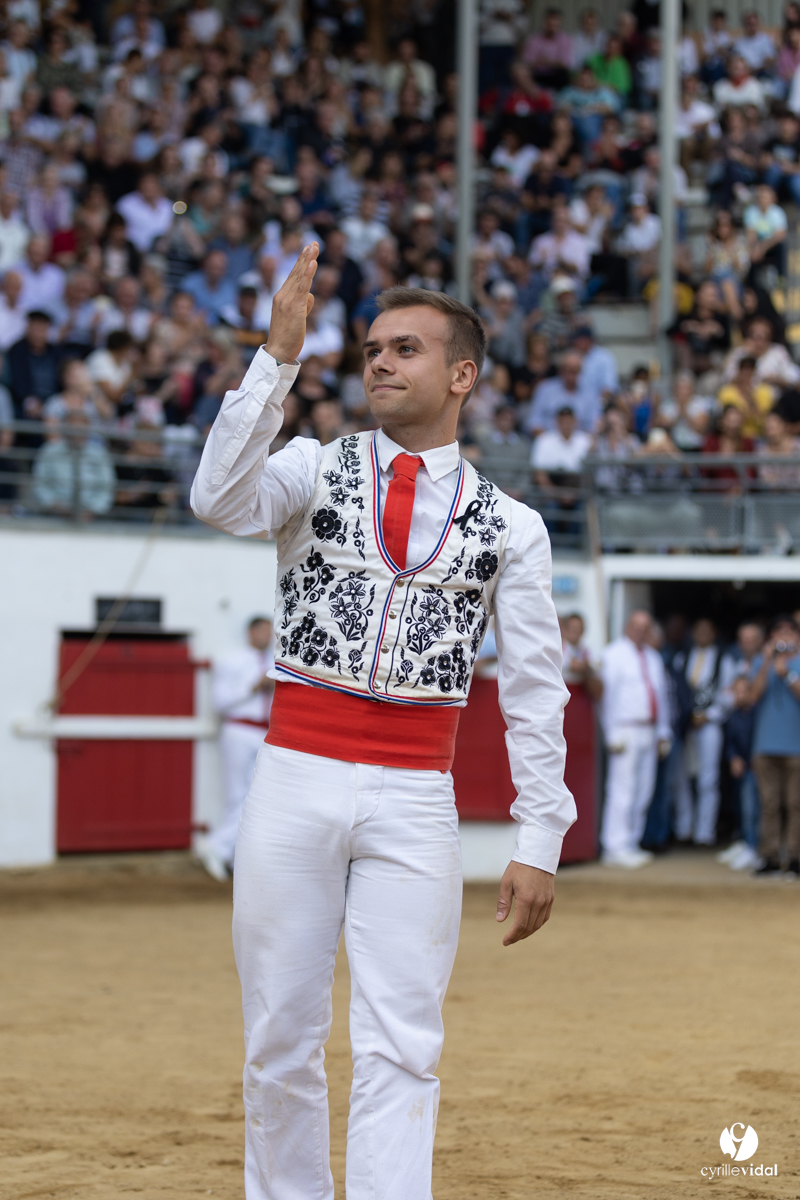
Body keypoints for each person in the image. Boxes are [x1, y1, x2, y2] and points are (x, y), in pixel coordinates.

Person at [190, 245, 575, 1200]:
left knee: (405, 1038)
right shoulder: (313, 469)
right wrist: (275, 362)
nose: (379, 363)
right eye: (370, 348)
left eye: (405, 348)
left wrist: (541, 836)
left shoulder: (512, 525)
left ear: (462, 375)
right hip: (294, 773)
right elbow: (215, 499)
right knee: (279, 1032)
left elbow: (534, 688)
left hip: (416, 794)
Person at [197, 617, 275, 881]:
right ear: (250, 632)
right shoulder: (232, 661)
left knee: (259, 796)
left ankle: (224, 848)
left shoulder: (275, 663)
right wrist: (253, 686)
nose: (267, 635)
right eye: (263, 630)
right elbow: (220, 702)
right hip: (239, 730)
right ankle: (220, 847)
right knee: (237, 794)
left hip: (266, 732)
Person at [600, 609, 671, 867]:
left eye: (646, 626)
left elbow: (661, 697)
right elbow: (607, 699)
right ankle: (614, 846)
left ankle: (631, 842)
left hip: (649, 730)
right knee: (622, 790)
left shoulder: (653, 657)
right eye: (637, 626)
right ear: (627, 626)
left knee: (644, 790)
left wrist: (664, 732)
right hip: (625, 729)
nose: (641, 631)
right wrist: (611, 733)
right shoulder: (613, 655)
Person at [747, 616, 800, 876]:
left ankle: (794, 857)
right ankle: (768, 856)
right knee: (769, 804)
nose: (785, 637)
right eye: (779, 632)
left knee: (796, 804)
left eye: (790, 632)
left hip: (796, 747)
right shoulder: (761, 662)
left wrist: (788, 673)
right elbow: (752, 696)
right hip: (765, 746)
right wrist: (767, 661)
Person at [672, 618, 727, 846]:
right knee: (681, 778)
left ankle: (705, 832)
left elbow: (729, 693)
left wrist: (710, 715)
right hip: (686, 725)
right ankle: (684, 829)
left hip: (710, 725)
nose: (702, 634)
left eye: (707, 630)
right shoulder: (682, 657)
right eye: (699, 630)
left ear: (714, 633)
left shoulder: (723, 660)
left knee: (708, 778)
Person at [722, 677, 759, 871]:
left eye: (744, 691)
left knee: (752, 809)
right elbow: (730, 742)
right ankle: (745, 842)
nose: (740, 695)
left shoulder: (758, 714)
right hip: (741, 769)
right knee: (741, 807)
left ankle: (754, 847)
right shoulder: (734, 715)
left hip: (755, 768)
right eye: (736, 691)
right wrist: (734, 757)